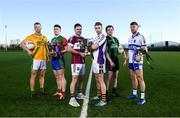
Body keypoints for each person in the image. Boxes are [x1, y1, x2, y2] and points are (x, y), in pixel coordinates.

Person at [20, 22, 49, 99]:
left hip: (43, 59)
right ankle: (32, 92)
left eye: (39, 27)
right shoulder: (30, 37)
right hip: (36, 59)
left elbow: (46, 48)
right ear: (34, 28)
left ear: (41, 27)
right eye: (36, 27)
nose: (37, 28)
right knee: (33, 75)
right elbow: (22, 44)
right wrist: (28, 51)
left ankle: (42, 90)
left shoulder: (44, 37)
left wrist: (48, 57)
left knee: (42, 75)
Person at [127, 22, 148, 105]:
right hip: (131, 61)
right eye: (131, 27)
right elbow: (130, 51)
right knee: (132, 77)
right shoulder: (130, 38)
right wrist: (126, 59)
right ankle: (134, 94)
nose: (132, 28)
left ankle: (143, 98)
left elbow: (145, 50)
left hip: (137, 61)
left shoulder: (141, 37)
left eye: (133, 27)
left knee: (140, 78)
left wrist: (141, 55)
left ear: (137, 27)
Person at [105, 25, 127, 101]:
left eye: (111, 29)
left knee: (115, 77)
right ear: (106, 31)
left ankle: (114, 92)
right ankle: (106, 95)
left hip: (116, 59)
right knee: (109, 77)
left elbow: (120, 49)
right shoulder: (105, 39)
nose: (110, 31)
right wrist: (110, 61)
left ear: (113, 30)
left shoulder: (116, 39)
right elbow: (105, 52)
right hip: (109, 59)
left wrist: (124, 57)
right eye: (108, 30)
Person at [88, 22, 107, 107]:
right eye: (96, 28)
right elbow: (89, 45)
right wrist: (89, 46)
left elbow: (93, 47)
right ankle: (99, 95)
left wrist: (90, 47)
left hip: (100, 60)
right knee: (96, 78)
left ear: (101, 28)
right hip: (94, 61)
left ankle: (103, 100)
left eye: (99, 28)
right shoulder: (95, 38)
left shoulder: (103, 37)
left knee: (101, 79)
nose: (97, 29)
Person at [68, 23, 86, 107]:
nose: (79, 30)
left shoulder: (83, 39)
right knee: (74, 78)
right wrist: (79, 53)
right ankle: (72, 98)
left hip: (83, 61)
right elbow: (69, 49)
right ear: (74, 30)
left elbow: (84, 49)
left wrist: (86, 53)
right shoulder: (72, 38)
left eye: (80, 29)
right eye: (78, 29)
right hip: (75, 61)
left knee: (81, 78)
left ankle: (79, 93)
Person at [50, 24, 67, 100]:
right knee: (56, 76)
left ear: (60, 30)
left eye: (57, 29)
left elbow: (66, 49)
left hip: (60, 59)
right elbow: (51, 50)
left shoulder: (63, 39)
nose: (55, 30)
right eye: (54, 29)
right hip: (53, 60)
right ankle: (59, 91)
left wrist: (58, 53)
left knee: (61, 76)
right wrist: (50, 53)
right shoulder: (52, 40)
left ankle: (63, 94)